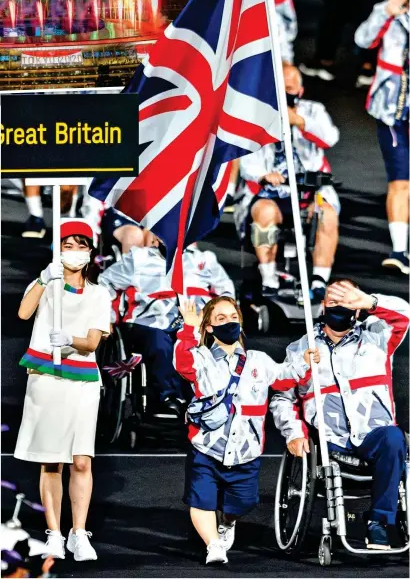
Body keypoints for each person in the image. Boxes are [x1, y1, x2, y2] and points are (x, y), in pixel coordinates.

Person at [175, 296, 320, 565]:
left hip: (246, 452)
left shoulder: (258, 361)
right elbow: (182, 363)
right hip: (206, 447)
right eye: (220, 319)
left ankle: (227, 523)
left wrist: (305, 362)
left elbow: (284, 376)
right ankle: (214, 545)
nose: (228, 322)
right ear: (208, 327)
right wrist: (188, 329)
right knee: (201, 501)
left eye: (233, 317)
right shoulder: (202, 358)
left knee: (242, 504)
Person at [271, 279, 410, 550]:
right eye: (332, 301)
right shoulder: (301, 348)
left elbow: (406, 314)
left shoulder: (378, 336)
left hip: (374, 437)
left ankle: (379, 523)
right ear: (322, 306)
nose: (339, 307)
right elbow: (282, 397)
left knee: (395, 438)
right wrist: (294, 432)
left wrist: (370, 301)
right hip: (329, 443)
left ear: (357, 308)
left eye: (346, 301)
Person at [14, 220, 111, 562]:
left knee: (82, 460)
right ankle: (54, 532)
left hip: (82, 380)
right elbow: (24, 312)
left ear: (90, 251)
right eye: (67, 245)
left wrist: (70, 341)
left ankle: (78, 533)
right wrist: (43, 279)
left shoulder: (100, 294)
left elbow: (93, 342)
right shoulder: (47, 284)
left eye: (80, 245)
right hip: (45, 379)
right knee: (51, 461)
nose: (74, 252)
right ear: (58, 251)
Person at [98, 235, 235, 417]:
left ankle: (206, 398)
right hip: (148, 323)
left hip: (194, 324)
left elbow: (226, 294)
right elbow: (105, 285)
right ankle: (170, 397)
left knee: (205, 344)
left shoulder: (204, 259)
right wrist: (108, 316)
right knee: (159, 341)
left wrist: (210, 316)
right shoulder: (138, 258)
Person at [235, 65, 340, 298]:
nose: (284, 95)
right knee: (263, 213)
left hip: (310, 192)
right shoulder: (255, 115)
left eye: (289, 89)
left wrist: (300, 122)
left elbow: (330, 138)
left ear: (300, 91)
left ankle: (319, 282)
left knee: (328, 215)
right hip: (271, 193)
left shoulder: (314, 111)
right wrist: (263, 175)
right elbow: (246, 160)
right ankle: (269, 277)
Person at [355, 0, 409, 274]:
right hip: (391, 110)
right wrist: (386, 13)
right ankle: (399, 251)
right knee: (400, 181)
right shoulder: (384, 12)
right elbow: (362, 40)